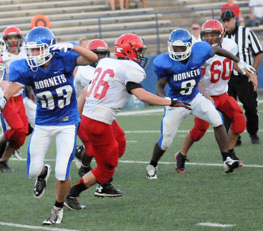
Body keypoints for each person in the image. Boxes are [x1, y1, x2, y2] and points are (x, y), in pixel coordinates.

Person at [64, 34, 191, 210]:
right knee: (107, 168)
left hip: (94, 118)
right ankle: (73, 193)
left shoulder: (107, 63)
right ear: (129, 50)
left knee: (120, 143)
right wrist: (171, 101)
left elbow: (87, 91)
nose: (140, 55)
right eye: (138, 51)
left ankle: (102, 180)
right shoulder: (127, 68)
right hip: (98, 121)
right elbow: (141, 94)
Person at [0, 27, 98, 225]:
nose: (34, 54)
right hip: (43, 123)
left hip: (67, 122)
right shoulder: (26, 67)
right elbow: (15, 85)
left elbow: (93, 58)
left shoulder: (63, 58)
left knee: (63, 171)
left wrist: (73, 47)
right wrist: (2, 101)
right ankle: (43, 173)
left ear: (50, 48)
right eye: (31, 50)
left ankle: (57, 209)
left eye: (38, 49)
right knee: (33, 171)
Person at [145, 28, 255, 179]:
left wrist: (238, 61)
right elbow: (160, 86)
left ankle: (227, 159)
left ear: (189, 46)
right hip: (177, 101)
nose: (177, 50)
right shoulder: (164, 62)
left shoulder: (199, 51)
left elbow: (217, 49)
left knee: (217, 120)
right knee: (166, 141)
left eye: (181, 47)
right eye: (174, 47)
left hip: (195, 97)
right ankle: (152, 164)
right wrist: (167, 100)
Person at [176, 20, 256, 173]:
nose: (211, 38)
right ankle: (181, 155)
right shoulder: (199, 51)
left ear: (222, 35)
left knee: (239, 121)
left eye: (214, 35)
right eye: (207, 35)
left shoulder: (230, 45)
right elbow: (194, 78)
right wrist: (205, 96)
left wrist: (248, 74)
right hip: (204, 96)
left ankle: (230, 154)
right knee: (199, 131)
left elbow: (231, 62)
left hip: (221, 93)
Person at [73, 39, 122, 197]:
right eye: (97, 54)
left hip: (99, 112)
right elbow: (85, 94)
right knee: (95, 148)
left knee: (120, 141)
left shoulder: (106, 67)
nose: (100, 57)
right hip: (82, 112)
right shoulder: (84, 70)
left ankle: (92, 165)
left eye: (103, 54)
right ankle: (101, 180)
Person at [0, 26, 29, 173]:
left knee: (22, 133)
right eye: (10, 38)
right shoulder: (1, 55)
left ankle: (3, 161)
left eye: (15, 38)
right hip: (5, 97)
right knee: (17, 128)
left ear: (20, 39)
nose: (13, 41)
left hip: (19, 96)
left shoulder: (26, 53)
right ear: (5, 41)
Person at [221, 9, 263, 145]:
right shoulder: (221, 37)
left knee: (250, 106)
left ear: (235, 19)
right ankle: (234, 138)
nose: (226, 23)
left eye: (228, 20)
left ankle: (253, 132)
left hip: (245, 77)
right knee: (228, 109)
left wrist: (253, 72)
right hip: (227, 78)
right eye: (224, 21)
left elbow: (259, 53)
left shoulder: (247, 32)